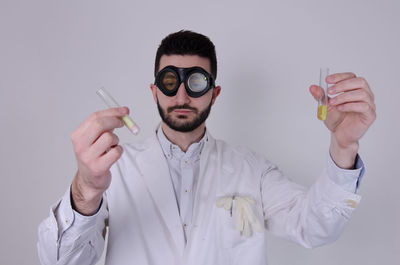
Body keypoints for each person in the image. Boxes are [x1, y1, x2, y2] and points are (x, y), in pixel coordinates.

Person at [37, 30, 376, 265]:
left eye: (196, 82)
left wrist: (344, 145)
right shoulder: (115, 170)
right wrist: (85, 189)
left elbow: (315, 227)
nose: (182, 96)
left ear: (214, 93)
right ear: (154, 91)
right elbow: (62, 260)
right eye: (170, 82)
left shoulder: (252, 170)